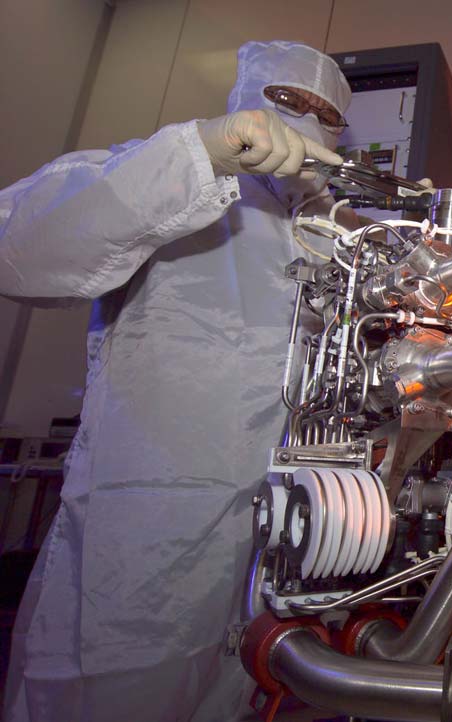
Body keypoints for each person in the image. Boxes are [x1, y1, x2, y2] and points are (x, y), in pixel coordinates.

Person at [0, 40, 353, 721]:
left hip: (294, 561)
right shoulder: (163, 176)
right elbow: (18, 249)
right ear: (247, 103)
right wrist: (200, 153)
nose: (305, 119)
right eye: (288, 101)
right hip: (146, 560)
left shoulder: (341, 238)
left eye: (324, 113)